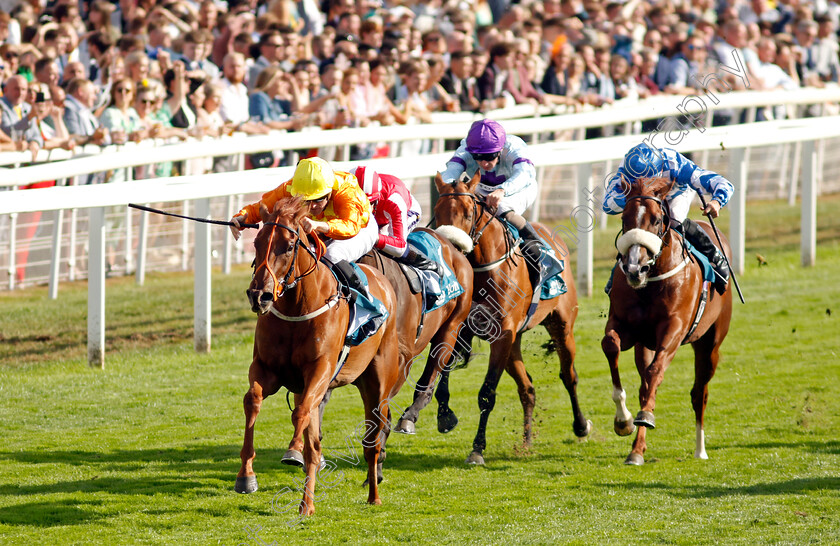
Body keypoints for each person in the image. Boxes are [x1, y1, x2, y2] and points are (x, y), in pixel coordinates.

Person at [229, 157, 379, 297]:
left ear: (328, 192)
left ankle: (367, 302)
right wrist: (242, 217)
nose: (312, 206)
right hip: (320, 230)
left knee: (332, 255)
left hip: (360, 229)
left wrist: (319, 225)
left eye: (318, 200)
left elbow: (350, 226)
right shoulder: (291, 187)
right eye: (306, 201)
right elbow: (262, 206)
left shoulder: (346, 190)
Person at [602, 142, 734, 295]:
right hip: (641, 198)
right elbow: (607, 205)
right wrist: (634, 198)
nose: (643, 184)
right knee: (636, 221)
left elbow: (722, 183)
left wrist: (717, 201)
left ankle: (714, 256)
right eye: (637, 181)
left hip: (675, 193)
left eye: (648, 181)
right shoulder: (627, 168)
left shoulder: (675, 163)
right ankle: (620, 269)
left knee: (674, 218)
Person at [439, 118, 560, 277]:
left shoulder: (514, 147)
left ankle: (541, 253)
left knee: (501, 207)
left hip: (520, 188)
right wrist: (447, 186)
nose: (484, 163)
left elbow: (526, 174)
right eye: (478, 156)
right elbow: (451, 171)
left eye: (489, 157)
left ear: (500, 149)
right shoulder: (466, 148)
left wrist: (503, 190)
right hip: (483, 190)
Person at [350, 165, 443, 276]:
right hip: (381, 210)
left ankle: (428, 266)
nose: (364, 209)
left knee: (389, 248)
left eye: (369, 203)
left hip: (406, 211)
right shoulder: (345, 189)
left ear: (377, 196)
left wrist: (373, 237)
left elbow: (399, 246)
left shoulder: (394, 201)